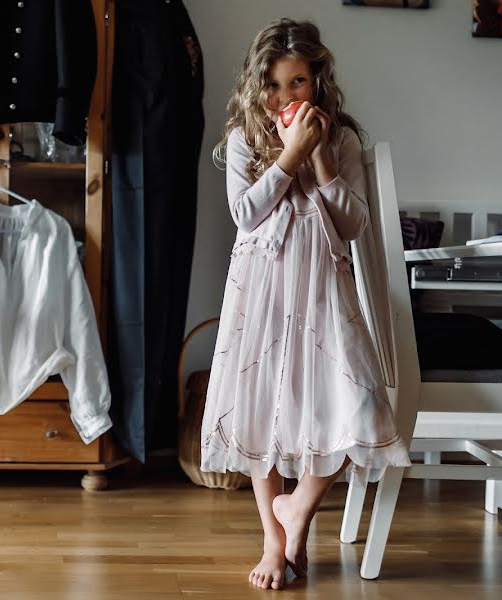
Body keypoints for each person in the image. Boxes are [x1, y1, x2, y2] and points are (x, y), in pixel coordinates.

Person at [200, 19, 411, 590]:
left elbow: (350, 225)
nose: (285, 97)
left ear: (318, 83)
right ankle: (275, 539)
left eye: (297, 83)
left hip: (323, 290)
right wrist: (288, 155)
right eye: (273, 85)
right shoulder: (246, 137)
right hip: (262, 290)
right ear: (256, 86)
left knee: (359, 405)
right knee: (262, 407)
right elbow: (246, 215)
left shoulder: (340, 140)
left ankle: (297, 511)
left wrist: (317, 160)